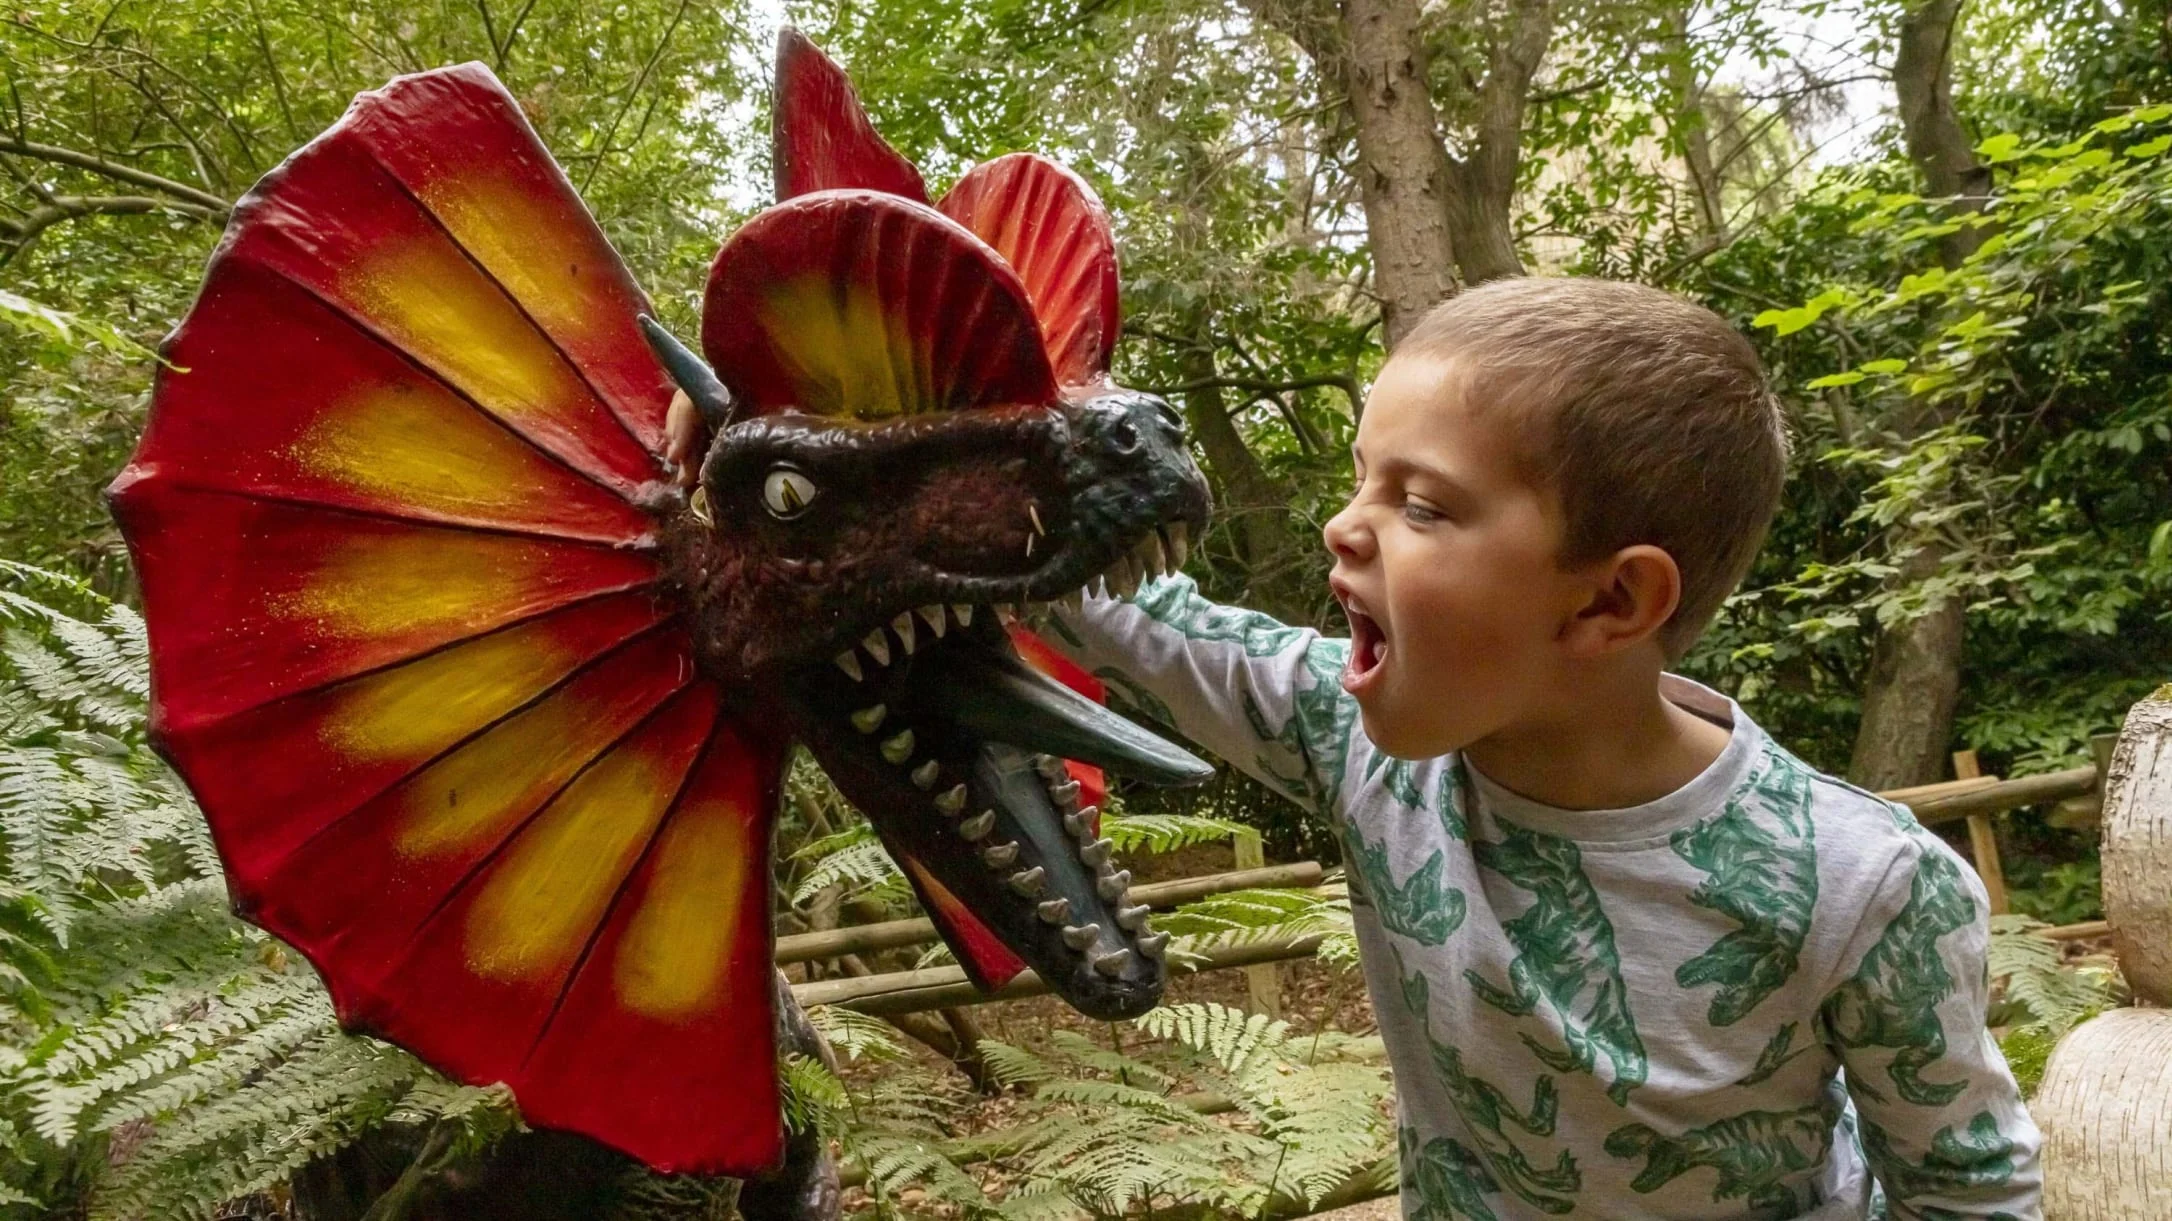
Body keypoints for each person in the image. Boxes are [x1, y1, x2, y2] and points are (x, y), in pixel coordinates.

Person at [668, 276, 2042, 1219]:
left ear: (1611, 602)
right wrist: (781, 441)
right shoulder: (1360, 737)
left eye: (1423, 506)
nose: (1346, 526)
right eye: (1361, 479)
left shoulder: (1864, 887)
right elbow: (1121, 596)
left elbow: (1966, 1190)